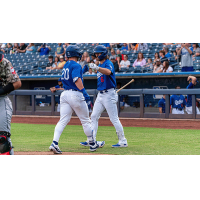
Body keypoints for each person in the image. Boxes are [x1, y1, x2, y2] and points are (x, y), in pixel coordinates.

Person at [49, 45, 100, 154]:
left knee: (63, 120)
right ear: (75, 54)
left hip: (65, 94)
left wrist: (83, 70)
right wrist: (84, 93)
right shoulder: (76, 65)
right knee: (86, 121)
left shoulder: (66, 64)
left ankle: (54, 143)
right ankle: (92, 143)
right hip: (75, 94)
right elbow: (76, 80)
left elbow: (72, 75)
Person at [80, 45, 128, 148]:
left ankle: (123, 140)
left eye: (98, 53)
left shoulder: (108, 63)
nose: (96, 55)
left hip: (109, 93)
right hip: (101, 94)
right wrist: (96, 67)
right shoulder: (100, 64)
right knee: (93, 116)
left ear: (103, 53)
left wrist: (97, 67)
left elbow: (108, 72)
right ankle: (91, 140)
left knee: (114, 118)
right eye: (96, 53)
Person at [0, 54, 22, 155]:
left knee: (2, 139)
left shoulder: (4, 63)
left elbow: (17, 83)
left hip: (1, 100)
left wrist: (2, 90)